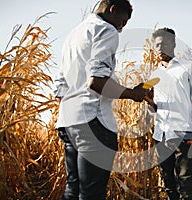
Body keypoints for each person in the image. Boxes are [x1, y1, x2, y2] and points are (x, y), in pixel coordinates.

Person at [53, 0, 150, 199]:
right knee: (92, 194)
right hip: (93, 123)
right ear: (112, 9)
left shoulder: (73, 35)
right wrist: (134, 94)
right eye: (122, 21)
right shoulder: (106, 30)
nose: (121, 28)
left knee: (72, 190)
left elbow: (60, 85)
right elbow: (96, 81)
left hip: (68, 122)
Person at [144, 27, 192, 200]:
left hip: (185, 134)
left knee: (185, 185)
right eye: (157, 45)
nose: (160, 48)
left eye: (164, 44)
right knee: (168, 185)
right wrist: (150, 101)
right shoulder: (154, 75)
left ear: (173, 44)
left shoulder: (188, 67)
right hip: (161, 136)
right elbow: (154, 109)